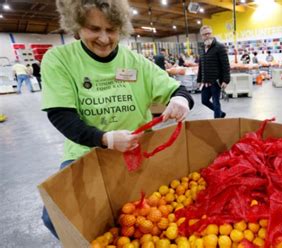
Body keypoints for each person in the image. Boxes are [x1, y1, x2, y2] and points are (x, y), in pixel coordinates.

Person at [40, 0, 194, 238]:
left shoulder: (135, 62)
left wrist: (181, 100)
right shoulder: (59, 60)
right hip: (86, 152)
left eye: (111, 30)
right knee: (54, 217)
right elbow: (61, 115)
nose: (104, 38)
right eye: (94, 29)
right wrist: (104, 139)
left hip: (137, 150)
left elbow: (177, 90)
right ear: (76, 26)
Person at [197, 25, 230, 119]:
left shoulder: (220, 47)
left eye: (208, 33)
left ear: (212, 33)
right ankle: (221, 113)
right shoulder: (202, 48)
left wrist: (225, 80)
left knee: (216, 102)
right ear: (201, 36)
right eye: (204, 34)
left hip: (216, 81)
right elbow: (201, 65)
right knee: (204, 101)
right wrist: (199, 80)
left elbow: (226, 65)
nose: (207, 36)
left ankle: (217, 122)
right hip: (205, 82)